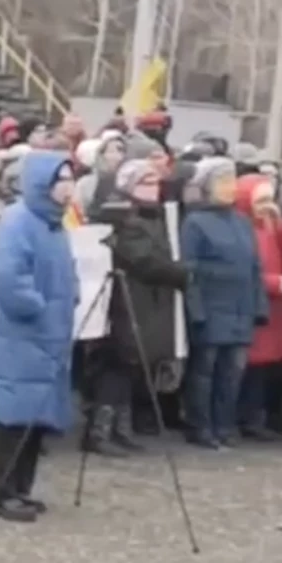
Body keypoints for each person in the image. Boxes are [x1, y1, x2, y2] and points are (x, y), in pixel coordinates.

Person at [0, 150, 78, 523]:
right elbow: (7, 276)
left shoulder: (54, 225)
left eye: (70, 180)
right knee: (14, 419)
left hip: (47, 335)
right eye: (61, 180)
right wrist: (38, 308)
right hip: (21, 336)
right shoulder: (18, 222)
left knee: (36, 419)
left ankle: (21, 489)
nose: (68, 188)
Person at [82, 160, 189, 456]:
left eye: (155, 182)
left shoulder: (158, 218)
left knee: (132, 368)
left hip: (149, 303)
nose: (152, 189)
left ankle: (121, 427)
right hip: (124, 301)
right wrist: (181, 273)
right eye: (145, 182)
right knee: (115, 365)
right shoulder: (123, 218)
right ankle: (99, 429)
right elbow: (143, 260)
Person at [180, 157, 267, 450]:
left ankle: (224, 424)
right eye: (222, 181)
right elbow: (188, 270)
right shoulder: (195, 222)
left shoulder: (242, 222)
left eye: (232, 181)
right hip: (211, 306)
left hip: (240, 309)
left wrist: (259, 307)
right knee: (205, 371)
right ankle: (200, 425)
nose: (229, 188)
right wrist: (196, 310)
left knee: (233, 373)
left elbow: (254, 268)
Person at [233, 174, 282, 440]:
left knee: (266, 368)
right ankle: (244, 418)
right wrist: (273, 283)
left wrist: (279, 221)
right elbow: (241, 271)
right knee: (249, 368)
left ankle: (257, 417)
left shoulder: (268, 226)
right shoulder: (242, 229)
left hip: (274, 306)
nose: (265, 205)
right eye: (261, 200)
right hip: (255, 302)